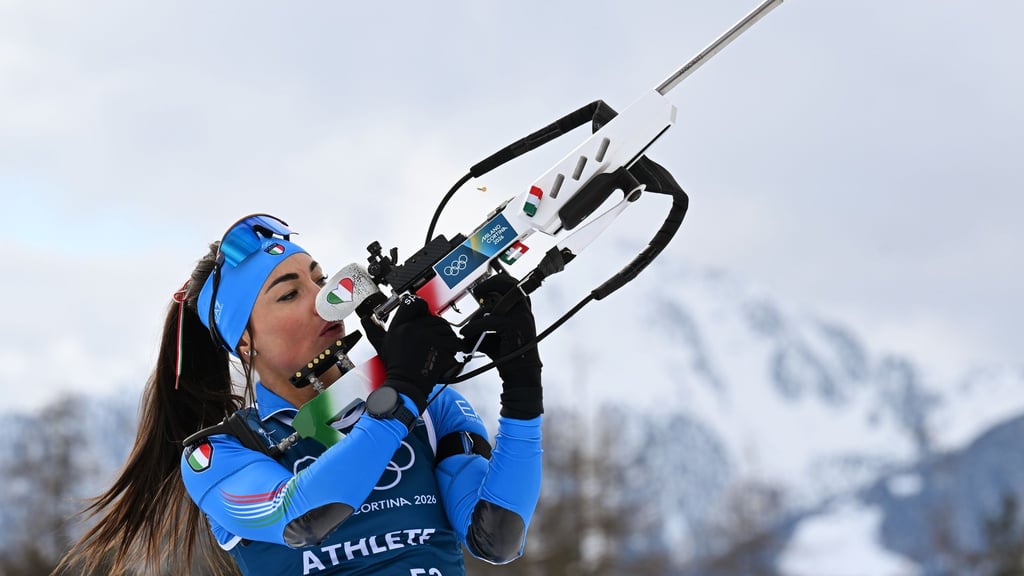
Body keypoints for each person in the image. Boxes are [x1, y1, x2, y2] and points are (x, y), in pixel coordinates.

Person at [58, 214, 544, 575]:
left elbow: (496, 536)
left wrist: (523, 386)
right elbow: (305, 515)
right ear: (244, 341)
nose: (321, 298)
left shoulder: (429, 406)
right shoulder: (219, 455)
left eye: (320, 278)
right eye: (289, 294)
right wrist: (402, 391)